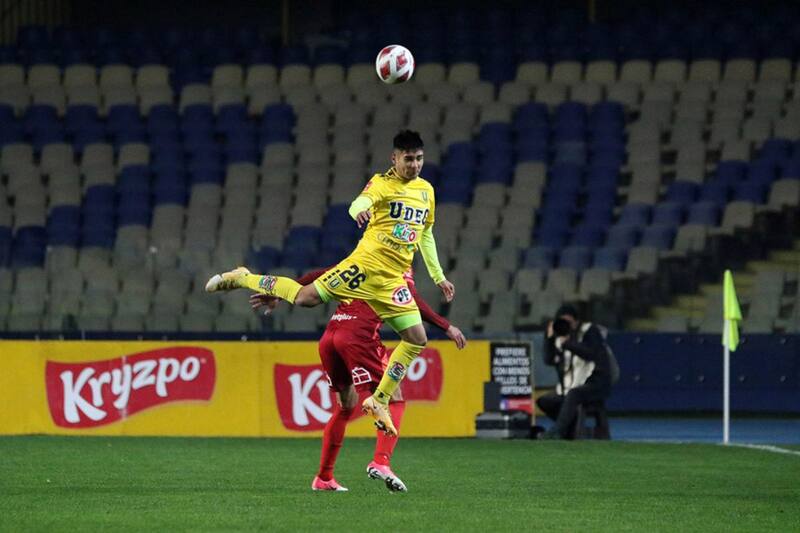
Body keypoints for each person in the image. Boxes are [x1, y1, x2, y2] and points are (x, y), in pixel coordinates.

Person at [206, 130, 454, 437]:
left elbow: (425, 234)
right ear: (395, 158)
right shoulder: (382, 184)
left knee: (417, 339)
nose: (414, 165)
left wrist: (438, 276)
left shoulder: (426, 191)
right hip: (364, 267)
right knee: (305, 299)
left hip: (392, 279)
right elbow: (359, 202)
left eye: (418, 159)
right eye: (408, 159)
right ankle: (244, 277)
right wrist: (359, 210)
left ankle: (379, 400)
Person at [251, 267, 466, 492]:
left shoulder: (360, 260)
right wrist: (446, 326)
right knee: (394, 397)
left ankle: (324, 478)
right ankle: (381, 462)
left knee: (346, 406)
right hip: (358, 337)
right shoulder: (395, 260)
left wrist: (281, 293)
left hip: (330, 337)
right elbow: (412, 299)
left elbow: (320, 275)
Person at [539, 305, 618, 440]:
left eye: (568, 322)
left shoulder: (590, 331)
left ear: (576, 321)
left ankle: (557, 432)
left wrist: (567, 343)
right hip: (571, 385)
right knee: (544, 401)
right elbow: (549, 360)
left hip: (596, 382)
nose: (566, 325)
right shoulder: (560, 335)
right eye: (562, 322)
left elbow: (591, 353)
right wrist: (549, 338)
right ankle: (569, 429)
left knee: (574, 394)